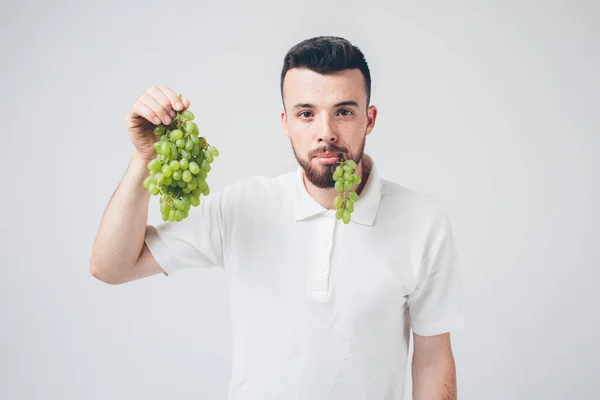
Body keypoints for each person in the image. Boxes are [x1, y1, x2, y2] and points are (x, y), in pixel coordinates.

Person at [90, 36, 466, 400]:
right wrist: (144, 158)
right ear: (285, 122)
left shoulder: (422, 221)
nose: (326, 133)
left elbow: (432, 359)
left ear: (369, 120)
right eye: (307, 114)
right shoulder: (243, 207)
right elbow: (112, 266)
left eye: (344, 112)